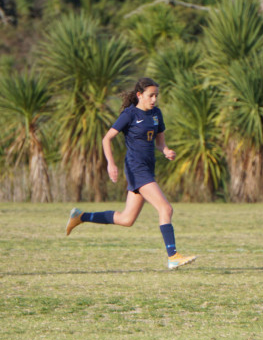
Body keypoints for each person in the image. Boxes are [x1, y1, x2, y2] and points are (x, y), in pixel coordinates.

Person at [66, 77, 196, 270]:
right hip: (136, 169)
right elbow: (107, 139)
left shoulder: (156, 114)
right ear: (139, 95)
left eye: (156, 96)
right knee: (166, 209)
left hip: (147, 168)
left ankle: (81, 216)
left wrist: (166, 151)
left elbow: (160, 142)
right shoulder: (130, 114)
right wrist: (111, 164)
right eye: (150, 95)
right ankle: (173, 256)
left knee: (126, 219)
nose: (154, 99)